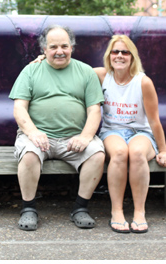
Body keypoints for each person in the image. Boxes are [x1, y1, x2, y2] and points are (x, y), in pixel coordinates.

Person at [32, 34, 166, 234]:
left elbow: (153, 120)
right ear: (109, 55)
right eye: (115, 51)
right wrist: (43, 58)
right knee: (119, 153)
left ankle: (139, 212)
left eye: (125, 52)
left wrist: (164, 150)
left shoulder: (143, 82)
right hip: (112, 131)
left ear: (132, 56)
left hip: (140, 132)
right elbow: (68, 66)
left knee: (137, 153)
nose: (120, 56)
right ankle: (117, 211)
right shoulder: (100, 75)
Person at [9, 25, 106, 231]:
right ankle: (28, 209)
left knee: (97, 154)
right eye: (53, 47)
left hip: (74, 137)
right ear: (44, 49)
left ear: (72, 47)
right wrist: (33, 132)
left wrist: (86, 137)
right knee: (29, 155)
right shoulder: (31, 70)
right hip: (37, 135)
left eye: (64, 46)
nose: (59, 51)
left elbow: (94, 110)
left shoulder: (86, 72)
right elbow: (19, 107)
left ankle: (80, 208)